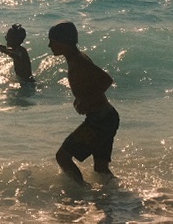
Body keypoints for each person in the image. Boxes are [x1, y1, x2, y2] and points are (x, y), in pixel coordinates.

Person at [48, 20, 119, 185]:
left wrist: (86, 102)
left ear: (63, 42)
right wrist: (81, 100)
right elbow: (90, 85)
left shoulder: (78, 60)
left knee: (63, 156)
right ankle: (116, 195)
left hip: (100, 120)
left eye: (52, 41)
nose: (49, 45)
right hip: (107, 117)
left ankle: (82, 191)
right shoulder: (76, 58)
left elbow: (106, 80)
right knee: (101, 168)